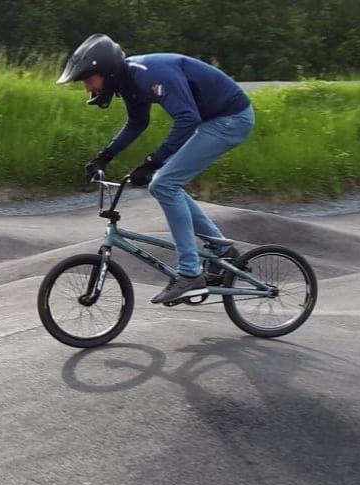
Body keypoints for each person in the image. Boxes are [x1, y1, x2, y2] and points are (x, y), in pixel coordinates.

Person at [57, 33, 255, 304]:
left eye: (89, 80)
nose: (87, 88)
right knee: (165, 183)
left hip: (231, 119)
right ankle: (222, 250)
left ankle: (189, 274)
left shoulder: (149, 76)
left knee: (163, 183)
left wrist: (153, 161)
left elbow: (187, 118)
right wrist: (103, 157)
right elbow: (137, 123)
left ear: (107, 72)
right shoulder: (128, 82)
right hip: (213, 120)